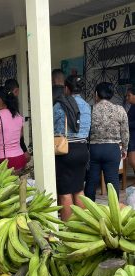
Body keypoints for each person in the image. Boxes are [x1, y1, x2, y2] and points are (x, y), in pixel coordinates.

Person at [53, 75, 91, 221]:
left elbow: (54, 127)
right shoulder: (87, 106)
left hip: (66, 151)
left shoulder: (60, 105)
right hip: (82, 150)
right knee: (79, 188)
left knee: (65, 192)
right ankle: (84, 225)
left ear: (66, 88)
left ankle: (69, 230)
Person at [84, 82, 129, 201]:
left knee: (91, 181)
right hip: (112, 149)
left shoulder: (91, 109)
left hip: (94, 149)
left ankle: (89, 212)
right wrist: (124, 149)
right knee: (113, 181)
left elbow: (86, 130)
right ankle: (113, 214)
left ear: (96, 94)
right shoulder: (119, 110)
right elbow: (125, 132)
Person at [4, 78, 31, 163]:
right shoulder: (14, 110)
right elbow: (19, 134)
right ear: (16, 90)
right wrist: (25, 150)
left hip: (0, 154)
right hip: (15, 154)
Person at [126, 87, 135, 172]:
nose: (127, 97)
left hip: (133, 137)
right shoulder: (132, 106)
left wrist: (126, 124)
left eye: (129, 95)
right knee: (131, 161)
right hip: (131, 136)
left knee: (132, 161)